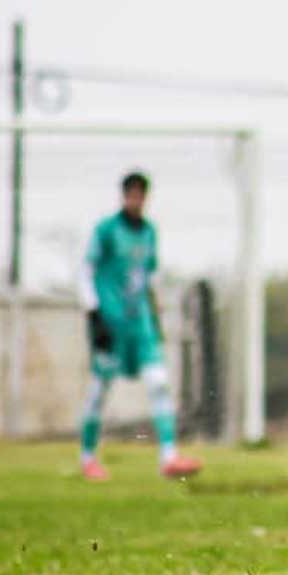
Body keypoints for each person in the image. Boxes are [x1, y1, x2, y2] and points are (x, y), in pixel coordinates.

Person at [77, 172, 200, 481]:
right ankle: (88, 457)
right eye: (131, 194)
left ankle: (169, 456)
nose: (136, 200)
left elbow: (149, 279)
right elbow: (86, 271)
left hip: (140, 323)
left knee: (159, 382)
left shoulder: (149, 233)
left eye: (140, 195)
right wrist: (93, 314)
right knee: (99, 389)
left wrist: (156, 318)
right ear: (123, 196)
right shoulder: (106, 231)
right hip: (109, 322)